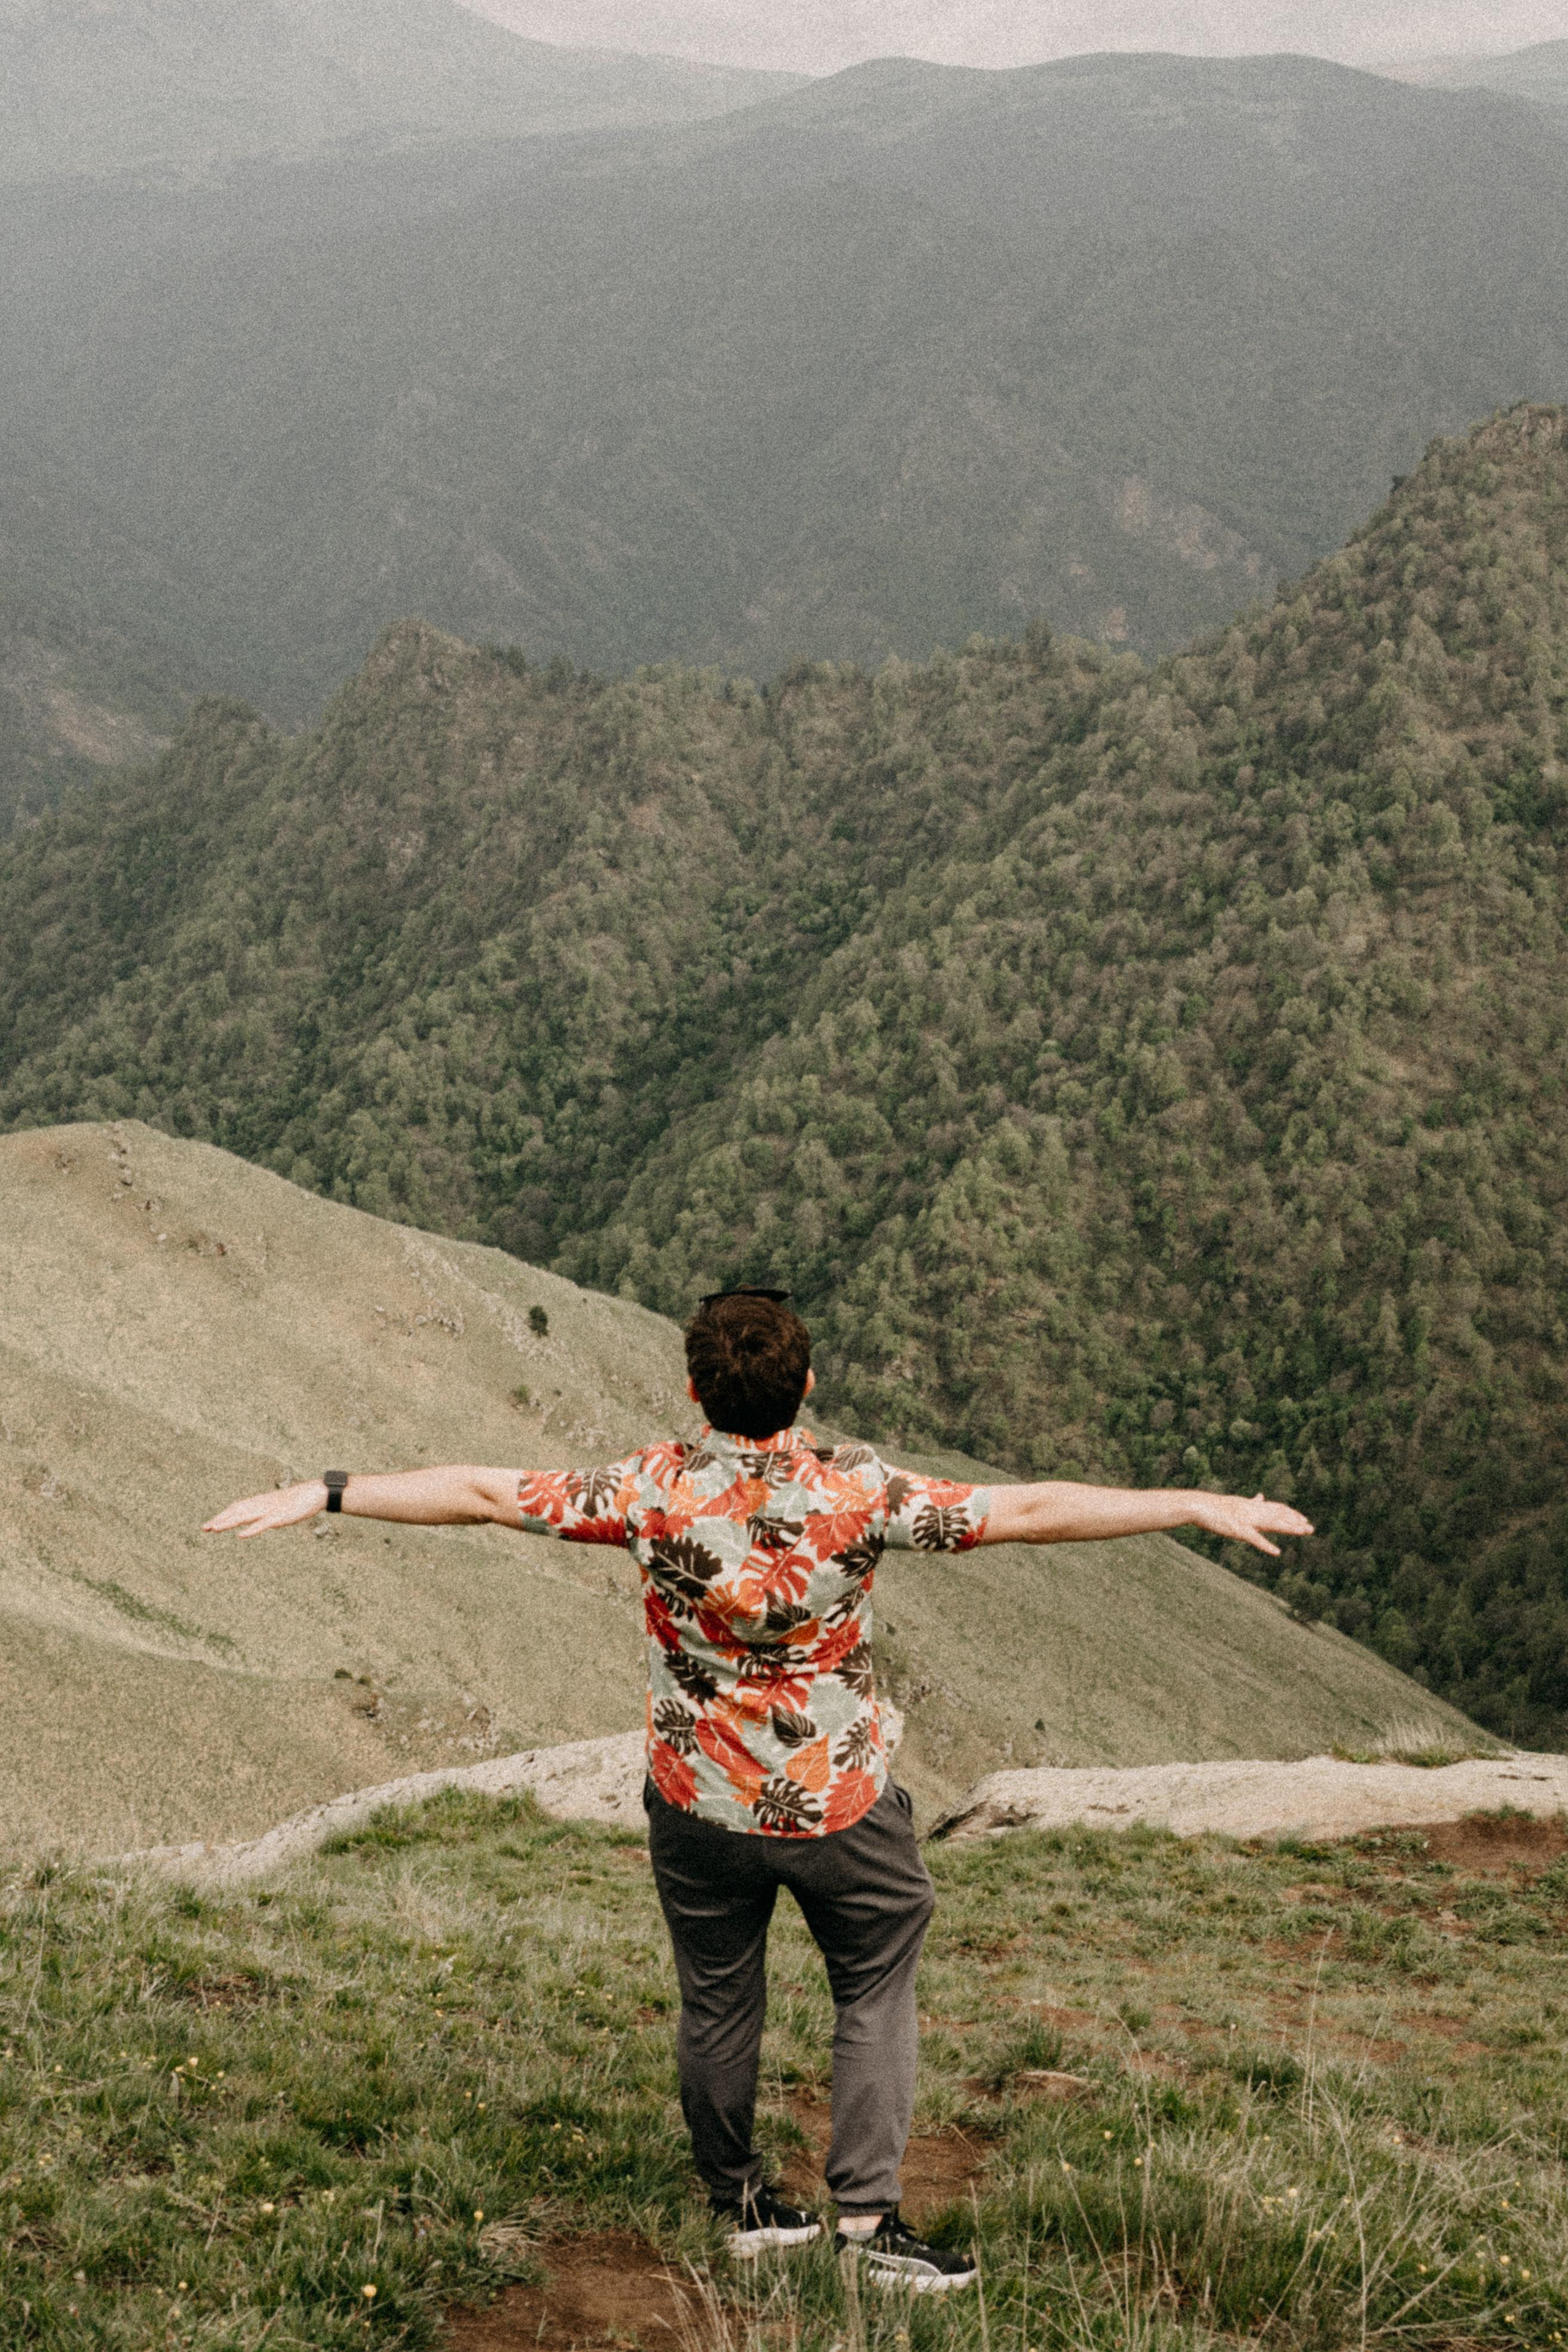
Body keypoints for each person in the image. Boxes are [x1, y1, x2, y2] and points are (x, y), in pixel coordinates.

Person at [205, 1287, 1311, 2291]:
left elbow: (489, 1492)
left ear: (695, 1391)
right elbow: (1023, 1512)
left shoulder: (651, 1491)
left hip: (695, 1802)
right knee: (875, 1982)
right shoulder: (858, 1494)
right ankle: (869, 2226)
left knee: (719, 1996)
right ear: (807, 1385)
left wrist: (333, 1490)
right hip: (837, 1803)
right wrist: (1193, 1502)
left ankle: (738, 2202)